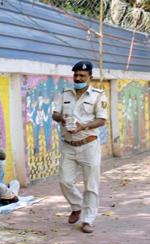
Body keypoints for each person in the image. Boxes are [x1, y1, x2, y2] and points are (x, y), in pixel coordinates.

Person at [52, 61, 107, 234]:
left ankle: (87, 220)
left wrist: (83, 126)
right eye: (75, 75)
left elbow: (102, 120)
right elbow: (55, 113)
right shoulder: (64, 93)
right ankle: (77, 206)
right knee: (64, 180)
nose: (78, 78)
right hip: (68, 145)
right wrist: (63, 119)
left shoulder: (98, 95)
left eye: (82, 75)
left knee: (91, 185)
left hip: (89, 144)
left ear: (90, 77)